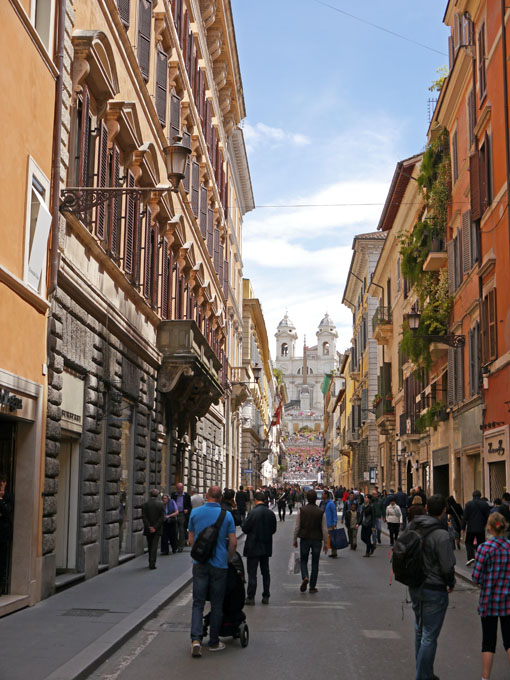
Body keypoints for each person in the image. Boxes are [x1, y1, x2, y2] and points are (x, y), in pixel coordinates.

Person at [408, 494, 456, 680]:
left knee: (420, 629)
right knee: (429, 634)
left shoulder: (415, 526)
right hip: (434, 588)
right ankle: (422, 676)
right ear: (444, 510)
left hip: (415, 585)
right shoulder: (441, 534)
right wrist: (450, 583)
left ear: (427, 508)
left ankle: (425, 672)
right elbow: (447, 565)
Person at [188, 486, 237, 656]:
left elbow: (191, 539)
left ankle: (195, 639)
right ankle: (214, 641)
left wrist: (198, 555)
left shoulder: (195, 513)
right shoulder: (227, 515)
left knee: (197, 603)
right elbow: (233, 542)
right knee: (217, 604)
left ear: (206, 496)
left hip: (200, 564)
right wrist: (228, 558)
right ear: (221, 497)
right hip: (219, 565)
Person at [472, 512, 510, 679]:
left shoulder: (484, 548)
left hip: (489, 600)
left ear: (489, 527)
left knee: (488, 642)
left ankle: (485, 677)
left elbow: (476, 577)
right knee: (509, 640)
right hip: (508, 601)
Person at [242, 490, 277, 605]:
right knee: (265, 572)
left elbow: (245, 529)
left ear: (256, 500)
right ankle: (266, 595)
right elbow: (273, 530)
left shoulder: (252, 513)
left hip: (253, 546)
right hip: (266, 546)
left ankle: (251, 597)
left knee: (252, 573)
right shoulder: (270, 513)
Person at [293, 489, 328, 593]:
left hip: (304, 538)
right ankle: (312, 586)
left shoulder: (302, 510)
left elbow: (297, 527)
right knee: (315, 562)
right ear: (316, 499)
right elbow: (324, 530)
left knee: (303, 560)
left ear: (307, 498)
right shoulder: (321, 512)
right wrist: (326, 543)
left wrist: (294, 539)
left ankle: (305, 577)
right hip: (317, 539)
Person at [463, 490, 490, 566]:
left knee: (468, 542)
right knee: (481, 543)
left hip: (471, 528)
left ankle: (471, 557)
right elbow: (488, 516)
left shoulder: (468, 504)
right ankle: (480, 558)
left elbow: (465, 517)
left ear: (473, 496)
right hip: (481, 527)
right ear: (480, 495)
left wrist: (463, 527)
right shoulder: (485, 504)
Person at [141, 489, 165, 569]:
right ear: (158, 495)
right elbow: (162, 518)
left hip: (148, 529)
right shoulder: (161, 505)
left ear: (150, 495)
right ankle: (152, 563)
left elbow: (144, 517)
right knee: (154, 546)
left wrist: (149, 527)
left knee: (150, 545)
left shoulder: (145, 504)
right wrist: (155, 527)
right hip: (157, 529)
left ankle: (150, 561)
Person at [172, 483, 192, 552]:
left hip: (182, 514)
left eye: (180, 488)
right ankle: (176, 545)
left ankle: (181, 546)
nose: (179, 490)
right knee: (175, 530)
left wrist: (187, 510)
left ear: (183, 488)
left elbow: (190, 506)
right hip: (174, 514)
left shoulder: (187, 496)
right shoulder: (173, 495)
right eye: (178, 488)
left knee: (182, 531)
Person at [323, 490, 338, 558]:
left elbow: (334, 513)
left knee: (332, 538)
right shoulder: (324, 503)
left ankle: (334, 552)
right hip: (324, 523)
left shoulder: (331, 503)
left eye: (323, 494)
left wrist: (334, 522)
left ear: (326, 495)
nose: (322, 495)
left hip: (330, 524)